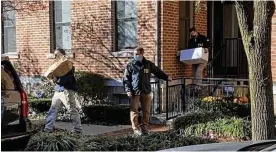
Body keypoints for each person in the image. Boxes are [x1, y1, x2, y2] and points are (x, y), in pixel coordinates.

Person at [123, 47, 172, 136]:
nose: (136, 56)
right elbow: (126, 79)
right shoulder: (130, 65)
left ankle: (144, 127)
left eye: (137, 54)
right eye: (134, 54)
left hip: (146, 91)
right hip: (135, 91)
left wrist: (166, 77)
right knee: (134, 111)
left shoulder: (148, 64)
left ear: (142, 54)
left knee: (146, 111)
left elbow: (157, 71)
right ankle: (136, 129)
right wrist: (128, 90)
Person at [44, 49, 82, 133]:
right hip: (58, 91)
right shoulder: (55, 65)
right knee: (53, 110)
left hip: (66, 91)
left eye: (58, 54)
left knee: (72, 110)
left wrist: (55, 80)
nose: (56, 56)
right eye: (55, 55)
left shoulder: (68, 65)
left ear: (63, 55)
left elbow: (66, 80)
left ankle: (78, 130)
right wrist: (52, 78)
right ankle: (48, 129)